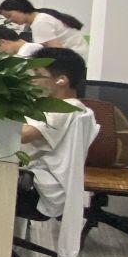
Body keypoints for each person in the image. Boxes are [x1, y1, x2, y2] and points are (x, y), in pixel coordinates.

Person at [19, 48, 97, 239]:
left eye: (38, 74)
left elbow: (23, 135)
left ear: (61, 80)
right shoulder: (63, 105)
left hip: (36, 188)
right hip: (40, 181)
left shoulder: (63, 108)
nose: (32, 80)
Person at [0, 0, 89, 58]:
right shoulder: (41, 18)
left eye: (9, 15)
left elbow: (57, 52)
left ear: (20, 9)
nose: (9, 20)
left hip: (76, 60)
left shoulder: (40, 22)